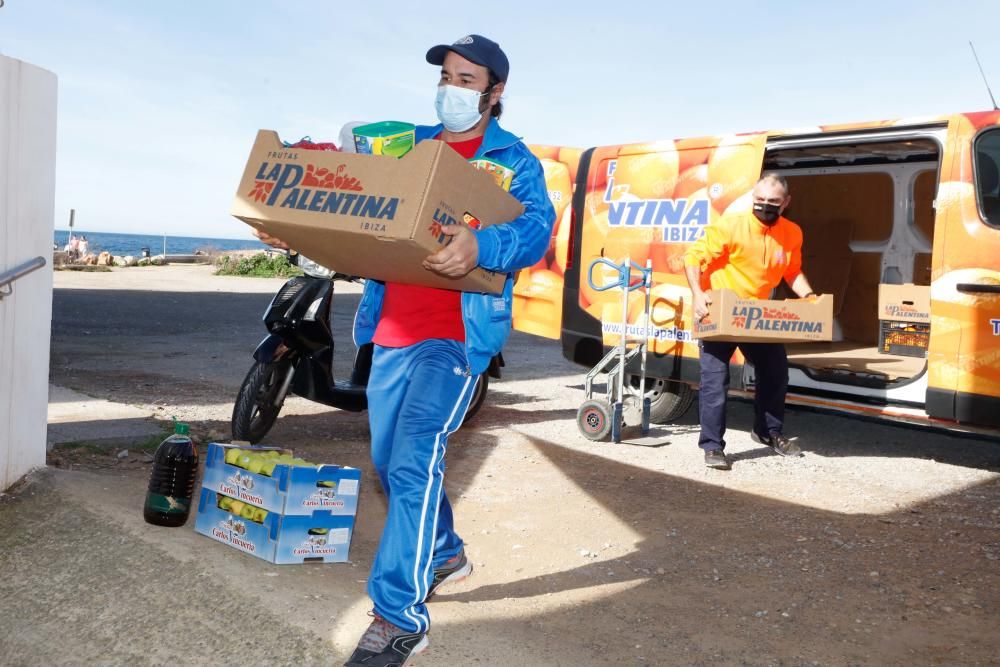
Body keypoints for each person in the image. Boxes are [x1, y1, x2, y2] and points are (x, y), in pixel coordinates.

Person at [255, 34, 554, 667]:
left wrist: (484, 246)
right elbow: (353, 203)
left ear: (495, 92)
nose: (452, 88)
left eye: (467, 79)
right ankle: (444, 552)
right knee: (391, 466)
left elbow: (535, 229)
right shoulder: (406, 145)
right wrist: (288, 218)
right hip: (391, 333)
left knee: (415, 461)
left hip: (455, 340)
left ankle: (399, 618)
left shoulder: (513, 159)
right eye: (446, 75)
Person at [683, 173, 818, 470]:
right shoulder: (731, 226)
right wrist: (697, 294)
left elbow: (792, 271)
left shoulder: (792, 232)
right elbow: (693, 258)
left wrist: (809, 296)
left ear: (786, 203)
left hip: (757, 315)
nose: (765, 207)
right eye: (760, 201)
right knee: (715, 381)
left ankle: (768, 432)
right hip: (720, 312)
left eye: (773, 203)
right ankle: (713, 446)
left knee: (775, 373)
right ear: (752, 199)